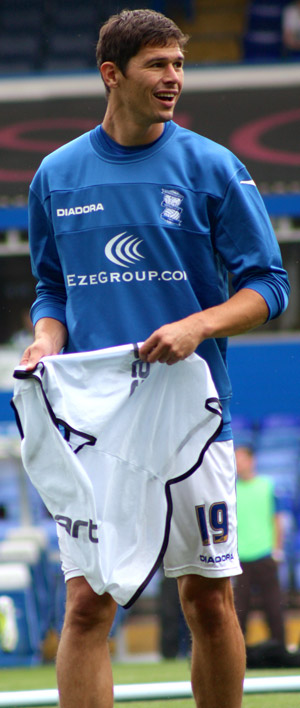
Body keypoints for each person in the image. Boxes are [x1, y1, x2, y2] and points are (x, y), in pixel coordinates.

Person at [20, 9, 290, 708]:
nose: (173, 79)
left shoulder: (212, 166)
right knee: (87, 607)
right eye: (157, 66)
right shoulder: (56, 175)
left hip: (192, 420)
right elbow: (51, 288)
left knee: (207, 601)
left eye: (178, 64)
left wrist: (198, 325)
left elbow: (270, 286)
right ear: (113, 74)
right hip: (94, 428)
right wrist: (48, 338)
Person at [234, 446, 286, 647]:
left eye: (242, 459)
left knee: (273, 606)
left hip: (265, 555)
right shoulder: (230, 489)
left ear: (251, 461)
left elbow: (277, 519)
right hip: (240, 558)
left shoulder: (267, 485)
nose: (238, 464)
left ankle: (280, 648)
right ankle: (237, 652)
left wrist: (277, 549)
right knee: (240, 610)